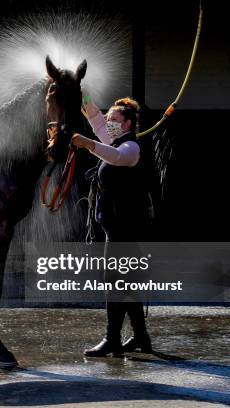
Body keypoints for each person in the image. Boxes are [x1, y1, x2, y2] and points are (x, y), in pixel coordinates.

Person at [71, 93, 153, 357]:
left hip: (123, 229)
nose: (109, 123)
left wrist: (87, 143)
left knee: (114, 282)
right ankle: (140, 338)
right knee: (125, 284)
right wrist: (83, 96)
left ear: (127, 124)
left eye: (114, 119)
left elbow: (115, 156)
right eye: (109, 119)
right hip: (115, 227)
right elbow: (95, 120)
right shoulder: (116, 141)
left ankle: (112, 340)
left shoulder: (131, 148)